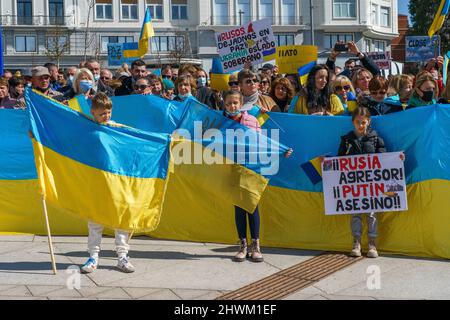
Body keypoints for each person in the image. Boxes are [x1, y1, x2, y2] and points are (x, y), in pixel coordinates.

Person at [221, 90, 292, 263]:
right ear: (224, 104)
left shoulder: (251, 121)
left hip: (252, 168)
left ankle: (256, 245)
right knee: (239, 207)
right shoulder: (222, 123)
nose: (232, 106)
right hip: (233, 169)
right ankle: (242, 245)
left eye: (235, 103)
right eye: (229, 103)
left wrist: (280, 151)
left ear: (241, 103)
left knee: (252, 205)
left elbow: (262, 144)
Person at [80, 92, 135, 274]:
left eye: (109, 112)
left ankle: (122, 256)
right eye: (102, 113)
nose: (107, 116)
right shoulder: (86, 129)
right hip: (95, 183)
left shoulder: (118, 128)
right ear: (93, 113)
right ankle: (93, 257)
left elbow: (138, 138)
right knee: (95, 221)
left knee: (120, 220)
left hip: (116, 182)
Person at [337, 107, 386, 258]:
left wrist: (398, 159)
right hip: (353, 186)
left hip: (371, 184)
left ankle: (372, 243)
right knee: (355, 214)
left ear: (369, 122)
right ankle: (356, 242)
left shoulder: (376, 138)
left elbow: (385, 159)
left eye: (363, 122)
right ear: (353, 122)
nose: (360, 125)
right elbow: (339, 160)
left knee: (372, 214)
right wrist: (326, 162)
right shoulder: (346, 140)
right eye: (358, 122)